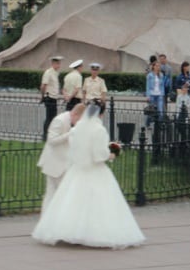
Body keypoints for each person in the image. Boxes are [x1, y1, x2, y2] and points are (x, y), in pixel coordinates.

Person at [32, 102, 145, 248]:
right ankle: (94, 232)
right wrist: (112, 154)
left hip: (77, 170)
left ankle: (69, 230)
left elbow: (73, 149)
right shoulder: (99, 130)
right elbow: (99, 156)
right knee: (100, 202)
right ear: (101, 114)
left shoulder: (77, 128)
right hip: (95, 170)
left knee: (72, 201)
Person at [36, 103, 85, 212]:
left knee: (57, 194)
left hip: (64, 162)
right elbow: (51, 140)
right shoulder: (60, 120)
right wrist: (69, 134)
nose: (79, 123)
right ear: (75, 115)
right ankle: (49, 220)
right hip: (54, 162)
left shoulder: (71, 123)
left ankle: (51, 220)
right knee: (53, 193)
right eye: (80, 120)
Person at [40, 56, 63, 140]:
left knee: (53, 117)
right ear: (53, 63)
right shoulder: (48, 72)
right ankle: (45, 135)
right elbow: (43, 86)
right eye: (57, 63)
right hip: (49, 97)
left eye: (59, 63)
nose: (59, 65)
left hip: (54, 98)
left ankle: (51, 134)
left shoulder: (55, 73)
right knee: (49, 117)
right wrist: (43, 96)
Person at [145, 60, 165, 126]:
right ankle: (148, 124)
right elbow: (147, 86)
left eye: (159, 66)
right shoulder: (149, 75)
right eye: (156, 66)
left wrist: (162, 94)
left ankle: (159, 125)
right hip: (152, 95)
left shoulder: (161, 75)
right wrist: (148, 96)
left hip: (159, 95)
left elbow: (162, 86)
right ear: (153, 67)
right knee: (151, 111)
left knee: (161, 112)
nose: (158, 67)